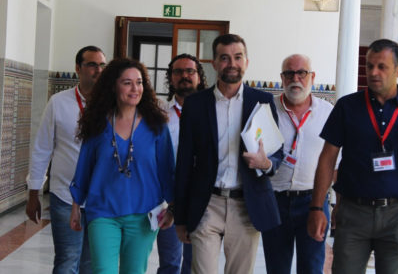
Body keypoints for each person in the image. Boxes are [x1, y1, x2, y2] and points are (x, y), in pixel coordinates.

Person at [307, 39, 398, 274]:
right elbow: (327, 158)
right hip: (353, 214)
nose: (373, 72)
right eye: (369, 66)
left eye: (382, 66)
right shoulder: (347, 107)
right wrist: (317, 208)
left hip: (396, 216)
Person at [174, 33, 283, 274]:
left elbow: (277, 154)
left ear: (246, 62)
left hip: (247, 204)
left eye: (237, 57)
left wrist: (266, 164)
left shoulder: (262, 101)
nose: (231, 63)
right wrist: (180, 217)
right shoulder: (196, 104)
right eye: (224, 58)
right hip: (207, 203)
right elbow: (183, 163)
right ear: (213, 63)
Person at [69, 58, 175, 274]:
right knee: (103, 271)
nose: (135, 88)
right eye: (127, 82)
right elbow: (85, 166)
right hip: (102, 212)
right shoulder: (97, 123)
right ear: (113, 86)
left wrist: (173, 207)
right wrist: (75, 204)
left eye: (139, 82)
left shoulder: (157, 125)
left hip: (144, 215)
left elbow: (167, 169)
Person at [26, 45, 106, 274]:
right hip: (65, 195)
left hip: (101, 199)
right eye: (92, 65)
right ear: (78, 69)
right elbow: (42, 148)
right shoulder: (58, 103)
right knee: (67, 260)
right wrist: (34, 192)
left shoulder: (112, 105)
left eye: (102, 65)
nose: (98, 70)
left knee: (91, 264)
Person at [262, 54, 335, 274]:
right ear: (282, 78)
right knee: (277, 269)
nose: (296, 78)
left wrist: (337, 204)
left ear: (312, 77)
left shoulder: (327, 113)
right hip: (274, 202)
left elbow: (336, 163)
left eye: (301, 73)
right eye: (289, 73)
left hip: (314, 202)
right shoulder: (267, 110)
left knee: (312, 268)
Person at [157, 53, 207, 274]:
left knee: (195, 263)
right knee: (169, 262)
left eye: (190, 71)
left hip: (202, 198)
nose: (184, 76)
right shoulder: (159, 115)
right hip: (169, 198)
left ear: (199, 77)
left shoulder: (210, 114)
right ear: (170, 78)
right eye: (178, 71)